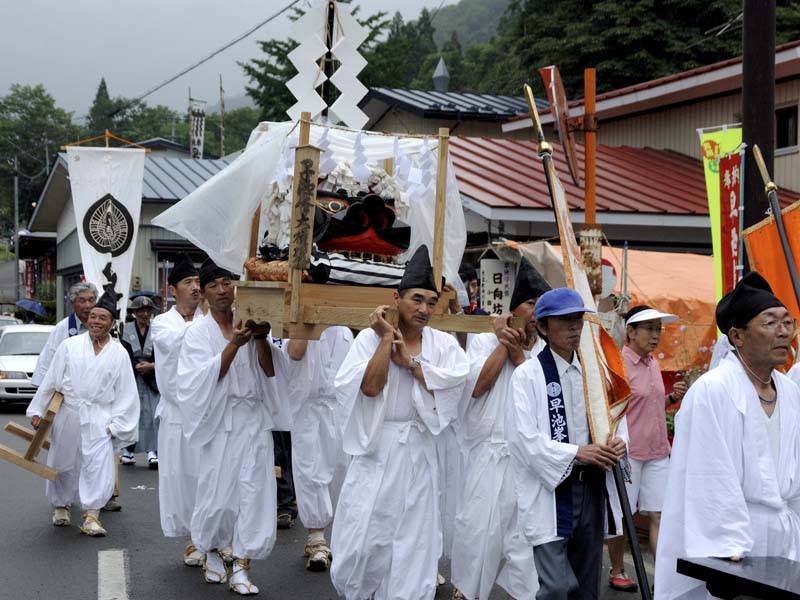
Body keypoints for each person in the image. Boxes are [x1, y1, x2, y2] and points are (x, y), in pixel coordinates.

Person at [330, 245, 469, 600]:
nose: (424, 309)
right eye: (417, 299)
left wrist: (411, 364)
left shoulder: (443, 345)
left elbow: (454, 383)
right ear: (396, 298)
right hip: (378, 450)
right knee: (365, 540)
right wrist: (385, 339)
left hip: (420, 453)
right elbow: (370, 387)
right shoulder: (368, 339)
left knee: (413, 544)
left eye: (431, 302)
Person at [655, 272, 800, 600]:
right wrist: (727, 542)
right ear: (737, 336)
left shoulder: (791, 392)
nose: (783, 332)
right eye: (770, 323)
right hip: (737, 542)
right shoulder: (713, 390)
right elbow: (708, 473)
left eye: (787, 322)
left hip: (785, 539)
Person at [177, 258, 306, 595]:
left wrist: (260, 338)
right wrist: (234, 344)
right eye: (213, 285)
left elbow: (271, 373)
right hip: (220, 422)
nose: (222, 290)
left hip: (254, 421)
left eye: (227, 282)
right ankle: (211, 549)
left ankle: (242, 566)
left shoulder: (250, 320)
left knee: (253, 494)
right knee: (217, 496)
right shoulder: (196, 333)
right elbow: (197, 383)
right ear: (204, 293)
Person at [507, 287, 628, 600]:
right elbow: (523, 439)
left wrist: (619, 443)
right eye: (564, 320)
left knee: (587, 584)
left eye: (578, 319)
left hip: (593, 485)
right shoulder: (528, 375)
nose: (574, 327)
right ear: (543, 327)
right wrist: (577, 452)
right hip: (552, 487)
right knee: (556, 587)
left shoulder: (597, 373)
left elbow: (617, 418)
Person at [450, 257, 549, 600]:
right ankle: (466, 590)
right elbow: (477, 387)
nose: (536, 312)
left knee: (525, 540)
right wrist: (504, 344)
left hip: (528, 462)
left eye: (541, 305)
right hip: (489, 454)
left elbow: (540, 399)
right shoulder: (484, 341)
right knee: (477, 531)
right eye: (530, 303)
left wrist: (518, 352)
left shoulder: (546, 351)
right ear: (513, 309)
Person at [26, 289, 139, 536]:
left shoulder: (119, 353)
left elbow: (126, 392)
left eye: (103, 318)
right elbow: (51, 381)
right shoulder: (69, 346)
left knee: (97, 465)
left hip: (101, 416)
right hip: (69, 411)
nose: (96, 321)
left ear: (112, 323)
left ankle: (92, 515)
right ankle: (61, 505)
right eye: (93, 316)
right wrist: (38, 410)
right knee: (63, 461)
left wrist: (117, 425)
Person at [606, 306, 687, 593]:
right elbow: (611, 410)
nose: (656, 335)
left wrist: (671, 398)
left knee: (659, 514)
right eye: (650, 329)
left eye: (658, 329)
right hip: (629, 454)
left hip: (657, 452)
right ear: (630, 332)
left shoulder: (652, 363)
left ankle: (663, 578)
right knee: (622, 515)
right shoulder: (617, 364)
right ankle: (617, 570)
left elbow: (648, 405)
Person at [284, 325, 353, 571]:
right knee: (311, 470)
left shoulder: (346, 331)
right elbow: (295, 353)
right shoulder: (302, 324)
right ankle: (316, 537)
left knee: (340, 470)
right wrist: (311, 321)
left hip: (341, 409)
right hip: (309, 409)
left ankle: (334, 534)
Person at [151, 255, 205, 567]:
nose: (195, 288)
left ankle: (215, 536)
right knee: (181, 477)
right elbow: (175, 343)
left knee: (210, 475)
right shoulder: (162, 323)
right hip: (177, 413)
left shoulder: (209, 319)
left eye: (198, 282)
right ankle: (192, 539)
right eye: (188, 283)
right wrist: (208, 321)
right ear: (173, 290)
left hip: (209, 412)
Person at [120, 295, 160, 468]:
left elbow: (163, 353)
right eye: (141, 311)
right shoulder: (125, 329)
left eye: (148, 311)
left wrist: (152, 366)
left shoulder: (157, 329)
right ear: (134, 313)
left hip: (152, 378)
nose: (145, 314)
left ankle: (153, 451)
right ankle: (128, 450)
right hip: (132, 376)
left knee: (153, 415)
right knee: (131, 413)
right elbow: (123, 352)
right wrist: (136, 366)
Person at [32, 282, 97, 386]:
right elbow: (47, 360)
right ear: (73, 302)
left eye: (91, 300)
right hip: (69, 388)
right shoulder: (63, 327)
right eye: (82, 301)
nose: (87, 305)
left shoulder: (103, 326)